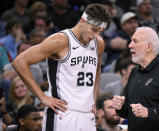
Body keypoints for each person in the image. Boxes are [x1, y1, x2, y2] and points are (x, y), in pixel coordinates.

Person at [12, 3, 112, 131]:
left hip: (87, 114)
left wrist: (93, 98)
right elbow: (19, 62)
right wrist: (42, 97)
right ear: (83, 20)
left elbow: (96, 71)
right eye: (94, 29)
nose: (96, 34)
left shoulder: (99, 43)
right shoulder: (60, 40)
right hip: (63, 113)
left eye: (100, 31)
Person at [112, 27, 159, 131]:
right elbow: (127, 112)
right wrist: (120, 107)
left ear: (149, 47)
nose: (130, 45)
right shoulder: (134, 72)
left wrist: (149, 112)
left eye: (135, 41)